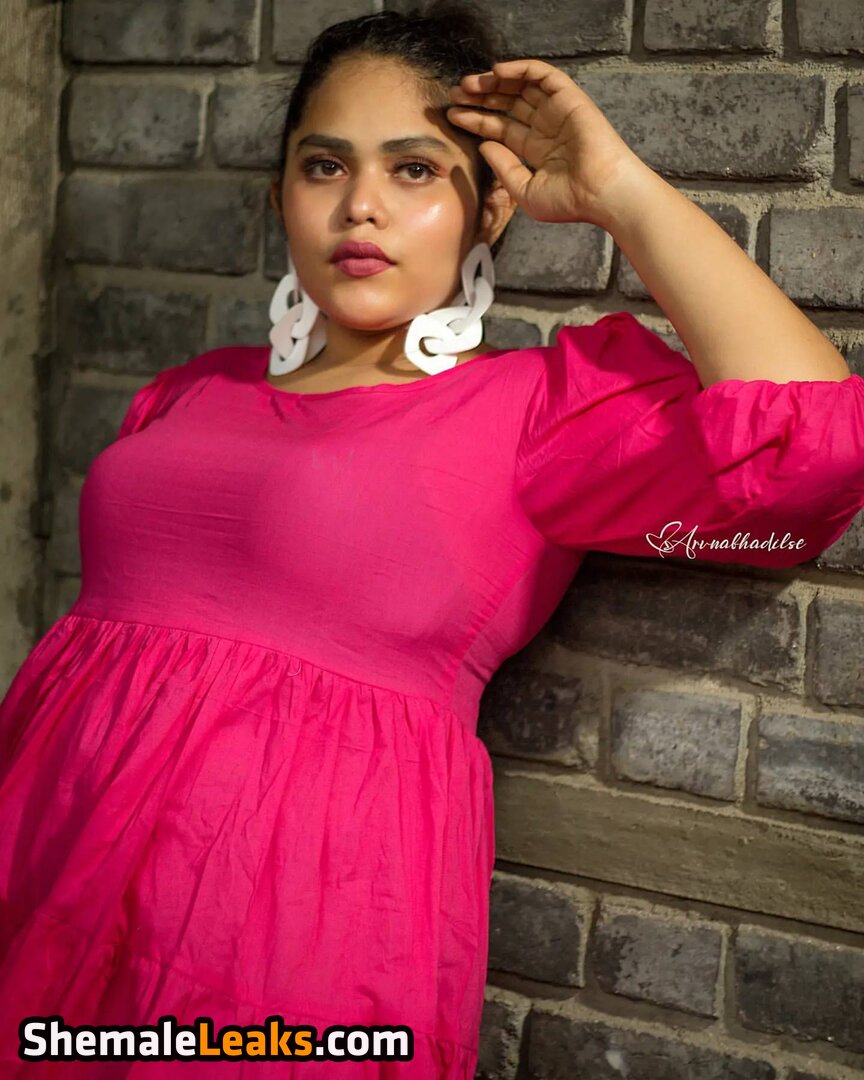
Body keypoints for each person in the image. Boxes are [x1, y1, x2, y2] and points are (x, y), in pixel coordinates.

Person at [2, 2, 864, 1076]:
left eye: (414, 170)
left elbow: (813, 449)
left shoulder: (532, 414)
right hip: (43, 858)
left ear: (489, 207)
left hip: (282, 919)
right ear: (279, 195)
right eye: (325, 166)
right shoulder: (187, 391)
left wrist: (617, 189)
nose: (360, 204)